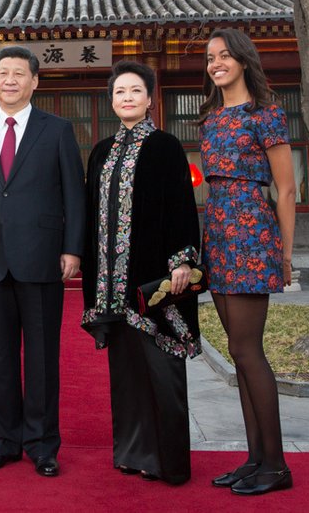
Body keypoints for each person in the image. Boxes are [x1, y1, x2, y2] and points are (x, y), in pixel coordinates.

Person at [0, 45, 86, 478]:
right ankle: (4, 442)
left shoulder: (57, 130)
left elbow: (74, 193)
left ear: (34, 82)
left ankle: (43, 445)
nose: (8, 80)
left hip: (43, 257)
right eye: (2, 73)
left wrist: (72, 248)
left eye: (18, 74)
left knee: (43, 359)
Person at [81, 61, 201, 485]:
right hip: (111, 282)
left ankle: (169, 461)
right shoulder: (100, 152)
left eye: (135, 90)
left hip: (154, 278)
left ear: (150, 99)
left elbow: (183, 207)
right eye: (119, 92)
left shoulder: (166, 147)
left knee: (162, 368)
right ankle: (133, 454)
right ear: (111, 100)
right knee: (127, 374)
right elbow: (90, 216)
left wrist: (183, 260)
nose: (127, 97)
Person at [199, 28, 296, 496]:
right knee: (238, 354)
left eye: (224, 56)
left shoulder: (266, 115)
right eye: (211, 58)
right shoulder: (210, 118)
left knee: (248, 350)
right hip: (217, 230)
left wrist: (286, 252)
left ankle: (276, 464)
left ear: (242, 60)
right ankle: (254, 457)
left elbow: (287, 189)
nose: (216, 63)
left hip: (251, 232)